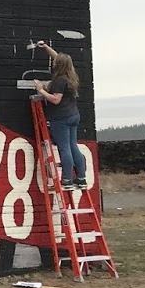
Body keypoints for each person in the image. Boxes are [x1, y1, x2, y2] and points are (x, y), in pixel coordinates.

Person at [31, 41, 87, 190]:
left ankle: (67, 180)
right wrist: (46, 48)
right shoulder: (70, 75)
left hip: (61, 118)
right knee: (73, 146)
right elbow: (59, 58)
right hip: (73, 115)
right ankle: (81, 179)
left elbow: (56, 100)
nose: (54, 62)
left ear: (58, 65)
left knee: (64, 148)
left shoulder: (59, 80)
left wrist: (41, 90)